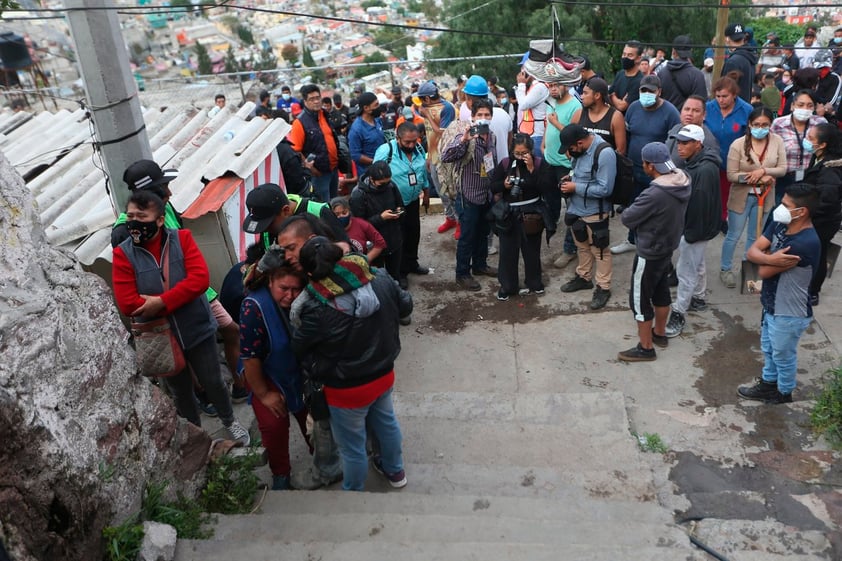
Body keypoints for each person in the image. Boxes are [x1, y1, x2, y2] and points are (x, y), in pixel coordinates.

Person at [112, 190, 250, 443]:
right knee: (181, 392)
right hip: (160, 336)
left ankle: (229, 421)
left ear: (160, 220)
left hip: (196, 327)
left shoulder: (182, 239)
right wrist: (177, 298)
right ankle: (195, 437)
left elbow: (199, 280)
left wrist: (160, 302)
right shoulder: (123, 254)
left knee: (213, 381)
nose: (134, 222)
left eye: (142, 216)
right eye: (130, 215)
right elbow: (127, 303)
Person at [291, 237, 413, 491]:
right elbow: (405, 305)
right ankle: (396, 472)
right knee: (386, 421)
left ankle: (354, 492)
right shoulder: (378, 277)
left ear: (310, 272)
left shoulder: (315, 306)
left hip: (345, 388)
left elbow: (299, 347)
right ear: (340, 258)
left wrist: (317, 368)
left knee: (352, 446)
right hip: (383, 374)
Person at [736, 183, 821, 404]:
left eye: (785, 205)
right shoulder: (780, 223)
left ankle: (783, 393)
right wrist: (769, 257)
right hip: (772, 305)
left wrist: (763, 257)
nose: (779, 208)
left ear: (801, 211)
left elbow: (762, 271)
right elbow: (752, 251)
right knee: (769, 348)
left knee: (783, 355)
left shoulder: (804, 243)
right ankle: (768, 383)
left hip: (789, 313)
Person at [239, 254, 313, 490]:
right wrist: (263, 394)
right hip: (265, 373)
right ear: (270, 281)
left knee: (313, 416)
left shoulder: (306, 301)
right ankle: (281, 473)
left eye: (296, 289)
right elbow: (250, 358)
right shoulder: (254, 307)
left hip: (299, 371)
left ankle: (323, 458)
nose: (290, 296)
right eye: (284, 288)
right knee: (273, 424)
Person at [618, 143, 690, 362]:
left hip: (649, 250)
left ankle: (646, 347)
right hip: (668, 246)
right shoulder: (682, 179)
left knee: (639, 300)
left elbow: (627, 218)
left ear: (649, 165)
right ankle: (660, 333)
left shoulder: (655, 193)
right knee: (661, 292)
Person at [611, 74, 680, 255]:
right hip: (634, 168)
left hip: (657, 172)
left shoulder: (671, 112)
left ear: (659, 92)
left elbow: (674, 143)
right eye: (643, 90)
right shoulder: (633, 108)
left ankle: (654, 245)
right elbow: (627, 133)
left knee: (656, 210)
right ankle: (632, 240)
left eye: (651, 91)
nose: (646, 94)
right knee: (635, 206)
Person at [720, 106, 787, 289]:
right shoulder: (738, 144)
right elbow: (731, 175)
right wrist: (754, 178)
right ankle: (725, 269)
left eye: (765, 124)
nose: (760, 128)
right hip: (742, 196)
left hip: (765, 197)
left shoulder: (777, 141)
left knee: (755, 236)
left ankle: (748, 268)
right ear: (749, 124)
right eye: (756, 124)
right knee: (733, 234)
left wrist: (764, 171)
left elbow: (782, 168)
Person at [665, 125, 722, 338]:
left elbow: (699, 206)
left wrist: (689, 234)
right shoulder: (700, 163)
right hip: (699, 228)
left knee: (685, 271)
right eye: (678, 142)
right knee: (697, 264)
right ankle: (698, 298)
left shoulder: (703, 171)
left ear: (698, 144)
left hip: (695, 229)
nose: (679, 147)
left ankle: (679, 312)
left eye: (685, 143)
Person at [440, 98, 498, 291]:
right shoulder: (465, 137)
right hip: (468, 196)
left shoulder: (493, 136)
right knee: (467, 236)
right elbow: (447, 156)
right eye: (479, 115)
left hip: (486, 194)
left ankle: (480, 265)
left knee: (483, 232)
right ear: (472, 117)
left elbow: (492, 163)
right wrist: (464, 139)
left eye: (487, 115)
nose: (483, 118)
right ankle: (462, 273)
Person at [558, 125, 617, 310]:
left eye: (571, 148)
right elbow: (578, 173)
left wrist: (576, 187)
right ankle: (584, 277)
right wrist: (569, 178)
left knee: (599, 250)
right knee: (582, 246)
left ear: (580, 143)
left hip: (595, 211)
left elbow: (605, 188)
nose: (570, 152)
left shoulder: (604, 153)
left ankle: (603, 287)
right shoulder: (580, 151)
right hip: (577, 209)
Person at [490, 134, 553, 300]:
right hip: (509, 215)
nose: (520, 157)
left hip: (532, 214)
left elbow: (546, 188)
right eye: (517, 153)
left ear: (531, 151)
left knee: (532, 251)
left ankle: (535, 283)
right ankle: (508, 286)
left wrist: (532, 170)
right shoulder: (504, 164)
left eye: (524, 153)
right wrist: (504, 185)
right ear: (512, 151)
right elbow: (492, 186)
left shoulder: (539, 164)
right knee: (507, 253)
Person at [373, 122, 431, 289]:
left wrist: (426, 192)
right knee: (398, 238)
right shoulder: (386, 151)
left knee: (413, 233)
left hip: (412, 201)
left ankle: (412, 263)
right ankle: (400, 272)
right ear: (398, 139)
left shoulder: (418, 148)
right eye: (407, 142)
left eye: (414, 141)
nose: (411, 145)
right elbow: (375, 174)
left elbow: (421, 173)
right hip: (393, 203)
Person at [704, 76, 754, 225]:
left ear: (734, 95)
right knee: (710, 192)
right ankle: (710, 219)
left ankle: (724, 220)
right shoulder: (708, 107)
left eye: (725, 96)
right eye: (718, 96)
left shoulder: (746, 110)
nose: (721, 100)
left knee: (729, 193)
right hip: (710, 159)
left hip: (733, 161)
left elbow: (750, 137)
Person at [803, 123, 842, 305]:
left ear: (823, 144)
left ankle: (813, 291)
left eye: (811, 139)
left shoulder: (830, 169)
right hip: (816, 217)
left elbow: (827, 200)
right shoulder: (818, 157)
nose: (807, 141)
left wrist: (806, 213)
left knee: (818, 255)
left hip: (823, 221)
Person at [242, 183, 347, 249]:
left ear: (286, 210)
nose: (266, 230)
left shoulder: (318, 212)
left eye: (269, 224)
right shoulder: (268, 228)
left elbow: (346, 248)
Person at [348, 161, 404, 282]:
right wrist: (381, 218)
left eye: (387, 182)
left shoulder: (391, 185)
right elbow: (358, 224)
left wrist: (399, 210)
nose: (385, 186)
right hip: (373, 244)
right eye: (381, 184)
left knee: (395, 274)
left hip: (394, 238)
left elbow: (400, 203)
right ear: (371, 179)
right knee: (378, 278)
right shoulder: (359, 194)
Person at [770, 90, 827, 207]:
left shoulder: (820, 123)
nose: (805, 109)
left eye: (809, 105)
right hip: (784, 178)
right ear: (792, 106)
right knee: (779, 213)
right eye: (801, 105)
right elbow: (770, 151)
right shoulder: (779, 124)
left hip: (810, 178)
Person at [416, 81, 458, 236]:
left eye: (422, 99)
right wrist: (428, 156)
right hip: (433, 156)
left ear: (427, 98)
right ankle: (450, 217)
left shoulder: (447, 108)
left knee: (451, 189)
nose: (421, 104)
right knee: (440, 190)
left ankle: (459, 220)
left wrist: (427, 115)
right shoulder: (427, 109)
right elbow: (429, 134)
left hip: (447, 157)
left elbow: (442, 132)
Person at [542, 81, 582, 245]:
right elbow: (547, 127)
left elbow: (574, 137)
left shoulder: (576, 106)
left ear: (566, 85)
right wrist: (543, 145)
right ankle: (551, 227)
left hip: (565, 164)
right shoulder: (551, 103)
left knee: (572, 206)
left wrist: (557, 123)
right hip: (549, 160)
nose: (553, 88)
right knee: (550, 198)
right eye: (550, 85)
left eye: (556, 85)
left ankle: (571, 246)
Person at [288, 84, 340, 203]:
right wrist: (312, 170)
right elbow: (296, 150)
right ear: (305, 101)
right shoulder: (299, 123)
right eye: (312, 99)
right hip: (318, 174)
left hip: (333, 169)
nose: (316, 101)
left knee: (335, 203)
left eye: (318, 97)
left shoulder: (325, 115)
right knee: (323, 206)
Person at [665, 95, 720, 167]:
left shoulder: (707, 140)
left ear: (704, 115)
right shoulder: (676, 128)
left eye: (696, 111)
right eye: (687, 109)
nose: (689, 114)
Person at [576, 78, 626, 155]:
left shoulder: (615, 117)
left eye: (585, 93)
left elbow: (621, 150)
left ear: (597, 95)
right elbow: (570, 141)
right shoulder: (579, 114)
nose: (582, 97)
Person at [659, 35, 708, 111]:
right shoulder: (697, 75)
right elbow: (701, 103)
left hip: (666, 119)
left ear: (673, 51)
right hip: (689, 119)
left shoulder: (662, 73)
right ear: (691, 51)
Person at [329, 197, 386, 262]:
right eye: (337, 214)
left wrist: (366, 260)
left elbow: (380, 243)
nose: (341, 216)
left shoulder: (362, 224)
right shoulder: (327, 229)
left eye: (344, 213)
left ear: (349, 211)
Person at [347, 92, 385, 179]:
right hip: (369, 173)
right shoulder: (356, 129)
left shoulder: (377, 120)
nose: (379, 107)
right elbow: (356, 155)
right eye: (376, 105)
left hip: (383, 168)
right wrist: (375, 162)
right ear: (366, 108)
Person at [515, 66, 550, 157]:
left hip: (537, 136)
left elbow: (523, 105)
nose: (522, 72)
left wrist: (521, 85)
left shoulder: (539, 87)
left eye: (524, 69)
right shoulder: (533, 86)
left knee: (537, 168)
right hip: (531, 134)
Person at [722, 22, 758, 102]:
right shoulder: (750, 56)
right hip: (745, 106)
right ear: (743, 38)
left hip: (732, 109)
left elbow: (725, 92)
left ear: (727, 39)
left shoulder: (733, 62)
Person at [610, 40, 644, 113]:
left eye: (630, 55)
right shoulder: (620, 74)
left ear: (638, 58)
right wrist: (616, 99)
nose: (625, 58)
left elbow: (622, 106)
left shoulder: (639, 81)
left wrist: (612, 96)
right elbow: (607, 94)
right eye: (624, 54)